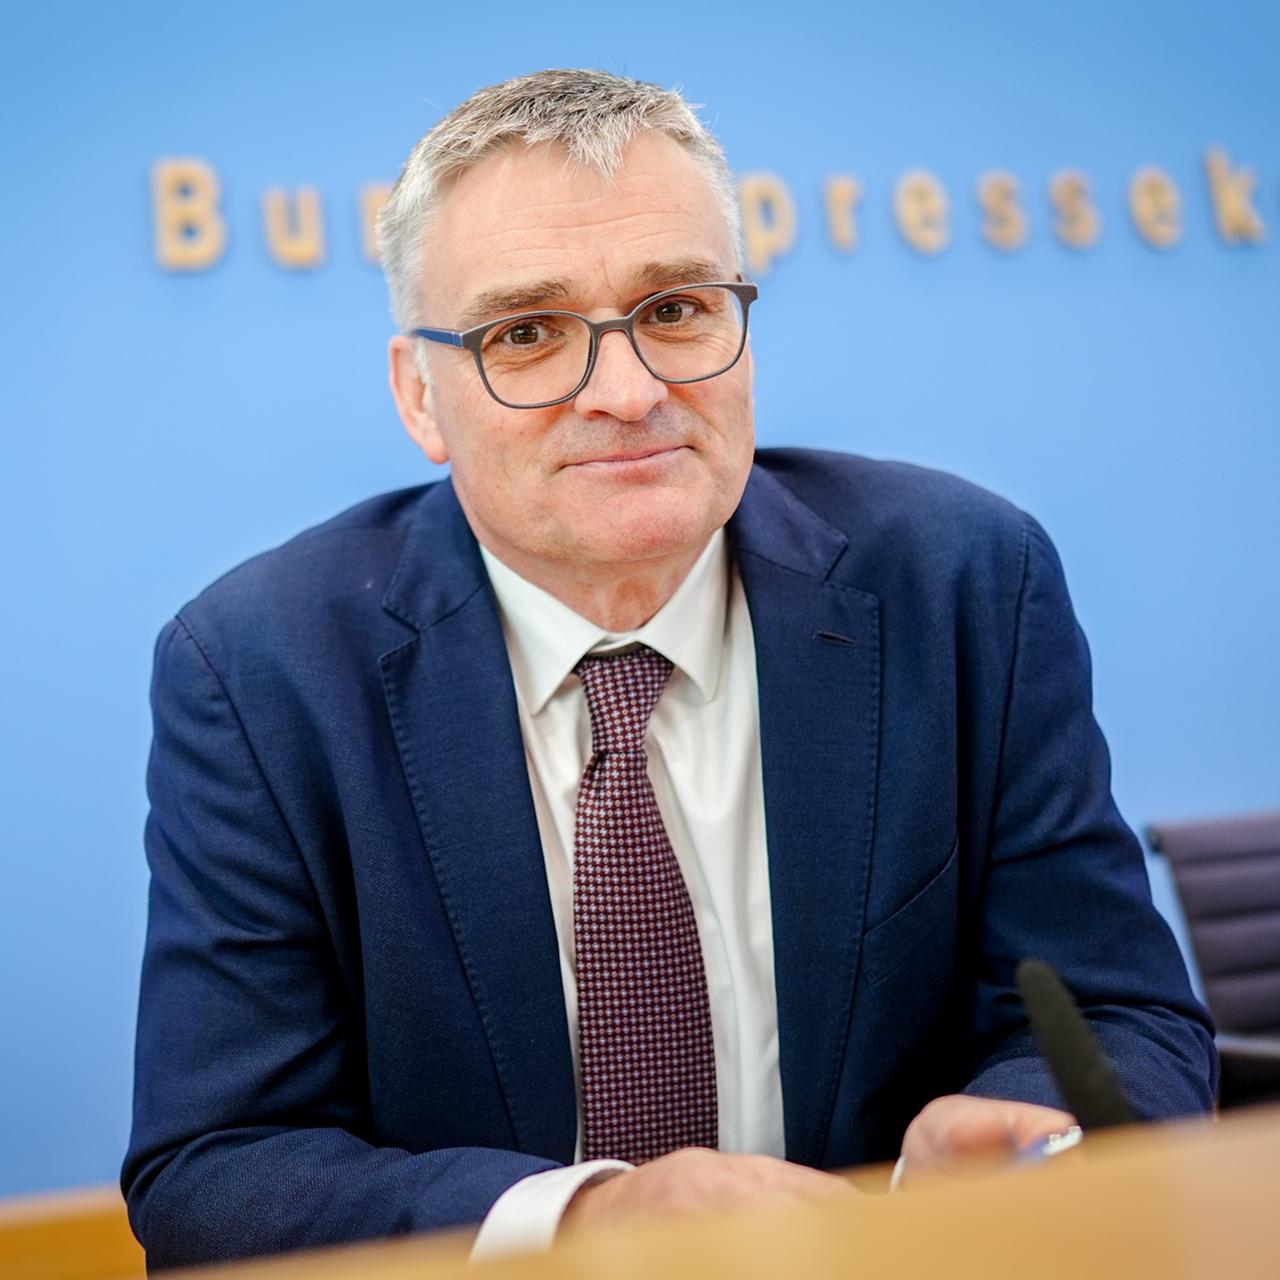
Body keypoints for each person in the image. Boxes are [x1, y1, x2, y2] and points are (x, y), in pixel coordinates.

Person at [122, 69, 1215, 1269]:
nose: (629, 391)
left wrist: (1019, 1153)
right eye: (525, 334)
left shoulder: (961, 581)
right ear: (418, 397)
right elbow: (214, 1170)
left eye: (677, 308)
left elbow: (1114, 1013)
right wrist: (590, 1218)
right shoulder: (262, 670)